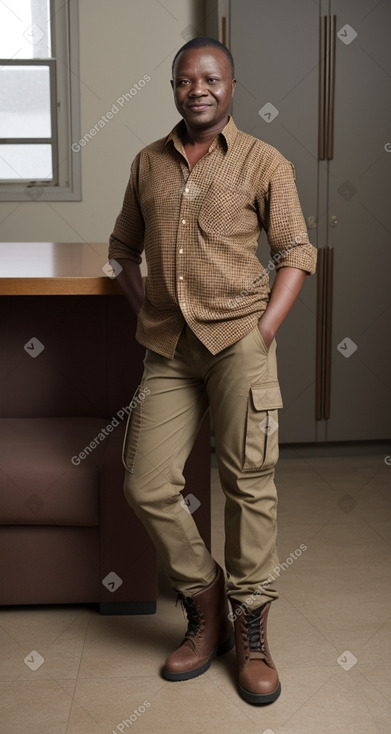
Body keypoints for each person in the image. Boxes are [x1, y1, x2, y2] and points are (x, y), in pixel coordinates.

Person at [108, 36, 317, 705]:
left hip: (239, 343)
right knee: (145, 480)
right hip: (169, 350)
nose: (195, 89)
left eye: (209, 78)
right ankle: (203, 596)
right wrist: (150, 317)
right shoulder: (147, 164)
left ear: (230, 86)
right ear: (173, 88)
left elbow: (295, 252)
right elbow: (121, 253)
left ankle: (250, 628)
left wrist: (261, 333)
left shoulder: (264, 162)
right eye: (183, 79)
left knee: (247, 482)